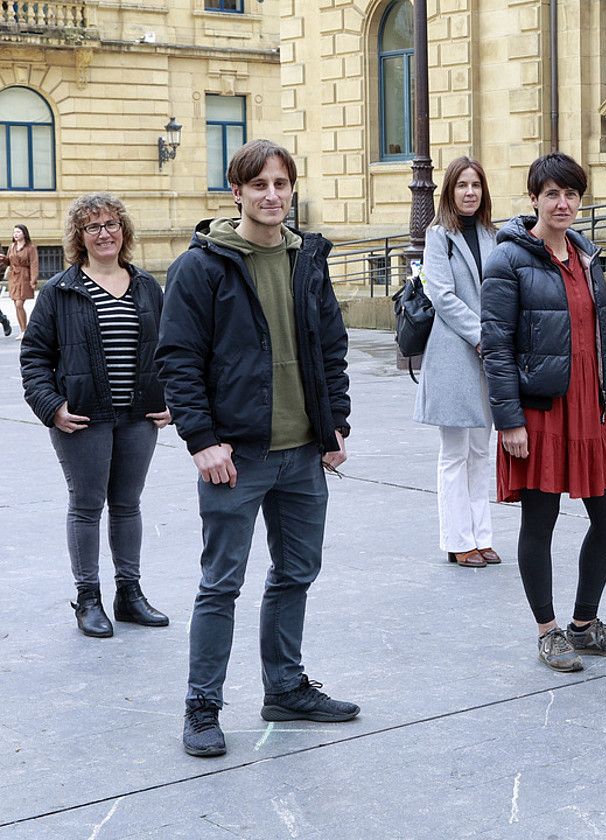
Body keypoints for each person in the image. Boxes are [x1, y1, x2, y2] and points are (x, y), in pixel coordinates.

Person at [159, 140, 357, 758]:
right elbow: (177, 360)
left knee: (296, 573)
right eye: (260, 184)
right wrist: (202, 441)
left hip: (303, 453)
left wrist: (335, 422)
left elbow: (331, 347)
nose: (272, 195)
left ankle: (286, 688)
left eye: (281, 184)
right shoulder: (201, 267)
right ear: (237, 192)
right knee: (221, 584)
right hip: (235, 457)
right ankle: (202, 706)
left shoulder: (308, 258)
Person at [480, 152, 606, 673]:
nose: (562, 203)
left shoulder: (587, 257)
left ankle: (584, 625)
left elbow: (602, 339)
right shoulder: (508, 260)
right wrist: (509, 419)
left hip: (589, 405)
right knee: (540, 519)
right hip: (541, 408)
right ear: (534, 199)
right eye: (552, 194)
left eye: (571, 194)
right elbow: (495, 345)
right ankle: (548, 631)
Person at [19, 195, 172, 637]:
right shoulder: (60, 290)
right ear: (79, 237)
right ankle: (88, 599)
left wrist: (171, 400)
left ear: (123, 230)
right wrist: (52, 407)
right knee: (87, 507)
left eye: (111, 224)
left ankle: (130, 595)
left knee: (127, 505)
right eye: (93, 227)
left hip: (138, 417)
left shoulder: (146, 286)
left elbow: (172, 349)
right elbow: (34, 358)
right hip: (83, 419)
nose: (104, 233)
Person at [414, 156, 502, 568]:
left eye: (476, 185)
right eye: (462, 185)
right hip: (454, 352)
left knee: (481, 450)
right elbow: (442, 296)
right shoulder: (438, 235)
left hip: (489, 354)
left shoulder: (492, 235)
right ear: (449, 191)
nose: (470, 192)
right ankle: (457, 539)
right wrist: (481, 334)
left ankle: (481, 535)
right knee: (455, 452)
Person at [5, 223, 39, 334]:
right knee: (16, 305)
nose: (15, 234)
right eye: (14, 232)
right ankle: (22, 330)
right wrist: (4, 259)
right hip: (14, 277)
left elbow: (34, 264)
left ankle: (25, 330)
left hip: (25, 277)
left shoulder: (31, 248)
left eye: (18, 232)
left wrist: (33, 280)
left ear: (24, 234)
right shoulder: (11, 246)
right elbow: (9, 262)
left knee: (19, 304)